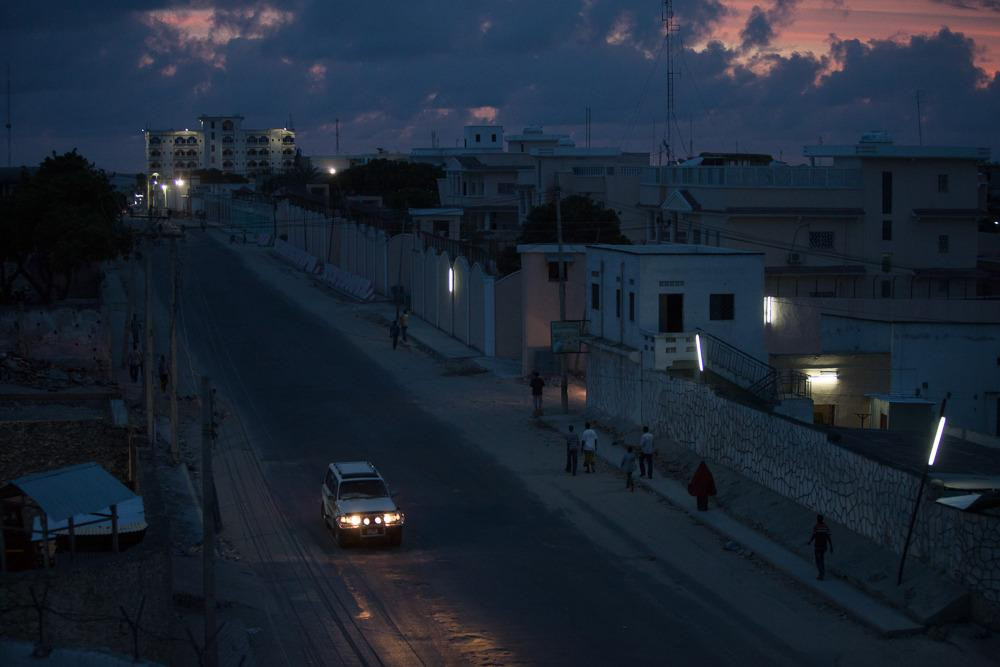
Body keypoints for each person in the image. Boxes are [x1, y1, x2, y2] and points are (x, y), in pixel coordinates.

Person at [807, 514, 834, 580]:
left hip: (818, 546)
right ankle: (822, 572)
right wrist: (831, 546)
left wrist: (810, 542)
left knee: (817, 560)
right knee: (822, 559)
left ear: (817, 519)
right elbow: (828, 537)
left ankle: (821, 573)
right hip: (824, 546)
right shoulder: (826, 527)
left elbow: (814, 535)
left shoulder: (816, 526)